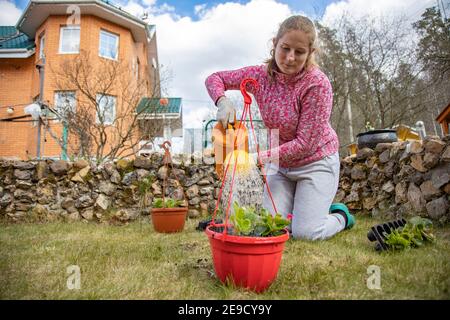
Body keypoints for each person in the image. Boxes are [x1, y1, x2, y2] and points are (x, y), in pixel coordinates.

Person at [205, 15, 355, 240]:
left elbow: (304, 145)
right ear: (275, 43)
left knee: (307, 233)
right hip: (282, 167)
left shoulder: (317, 84)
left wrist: (255, 158)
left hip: (316, 162)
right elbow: (215, 78)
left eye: (299, 52)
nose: (290, 58)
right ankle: (300, 213)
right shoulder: (259, 76)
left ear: (310, 53)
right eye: (285, 48)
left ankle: (341, 216)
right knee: (269, 227)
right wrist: (222, 101)